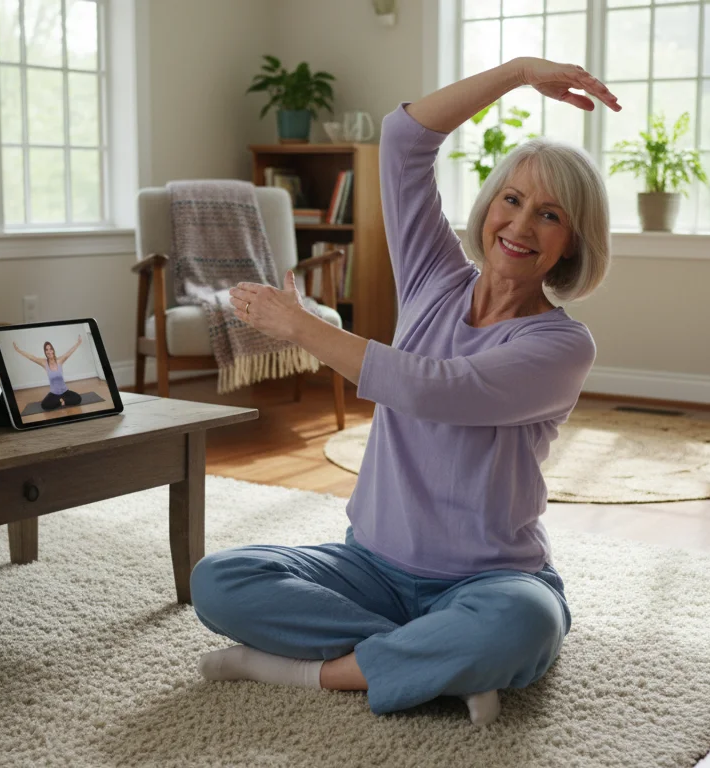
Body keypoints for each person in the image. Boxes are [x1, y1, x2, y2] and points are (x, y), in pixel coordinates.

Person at [191, 56, 618, 726]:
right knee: (219, 581)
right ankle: (436, 666)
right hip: (371, 569)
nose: (521, 225)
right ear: (489, 206)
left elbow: (429, 388)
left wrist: (298, 325)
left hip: (490, 580)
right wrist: (520, 73)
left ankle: (317, 672)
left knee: (524, 625)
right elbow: (403, 140)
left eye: (549, 215)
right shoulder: (432, 279)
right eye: (512, 199)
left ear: (570, 245)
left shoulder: (560, 347)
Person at [12, 336, 84, 410]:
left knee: (78, 399)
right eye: (47, 350)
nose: (49, 351)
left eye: (50, 349)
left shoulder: (59, 361)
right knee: (44, 405)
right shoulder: (44, 363)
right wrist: (18, 350)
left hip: (65, 392)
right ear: (45, 352)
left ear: (53, 350)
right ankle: (60, 401)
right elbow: (32, 357)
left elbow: (69, 353)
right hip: (54, 394)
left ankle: (63, 401)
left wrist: (78, 343)